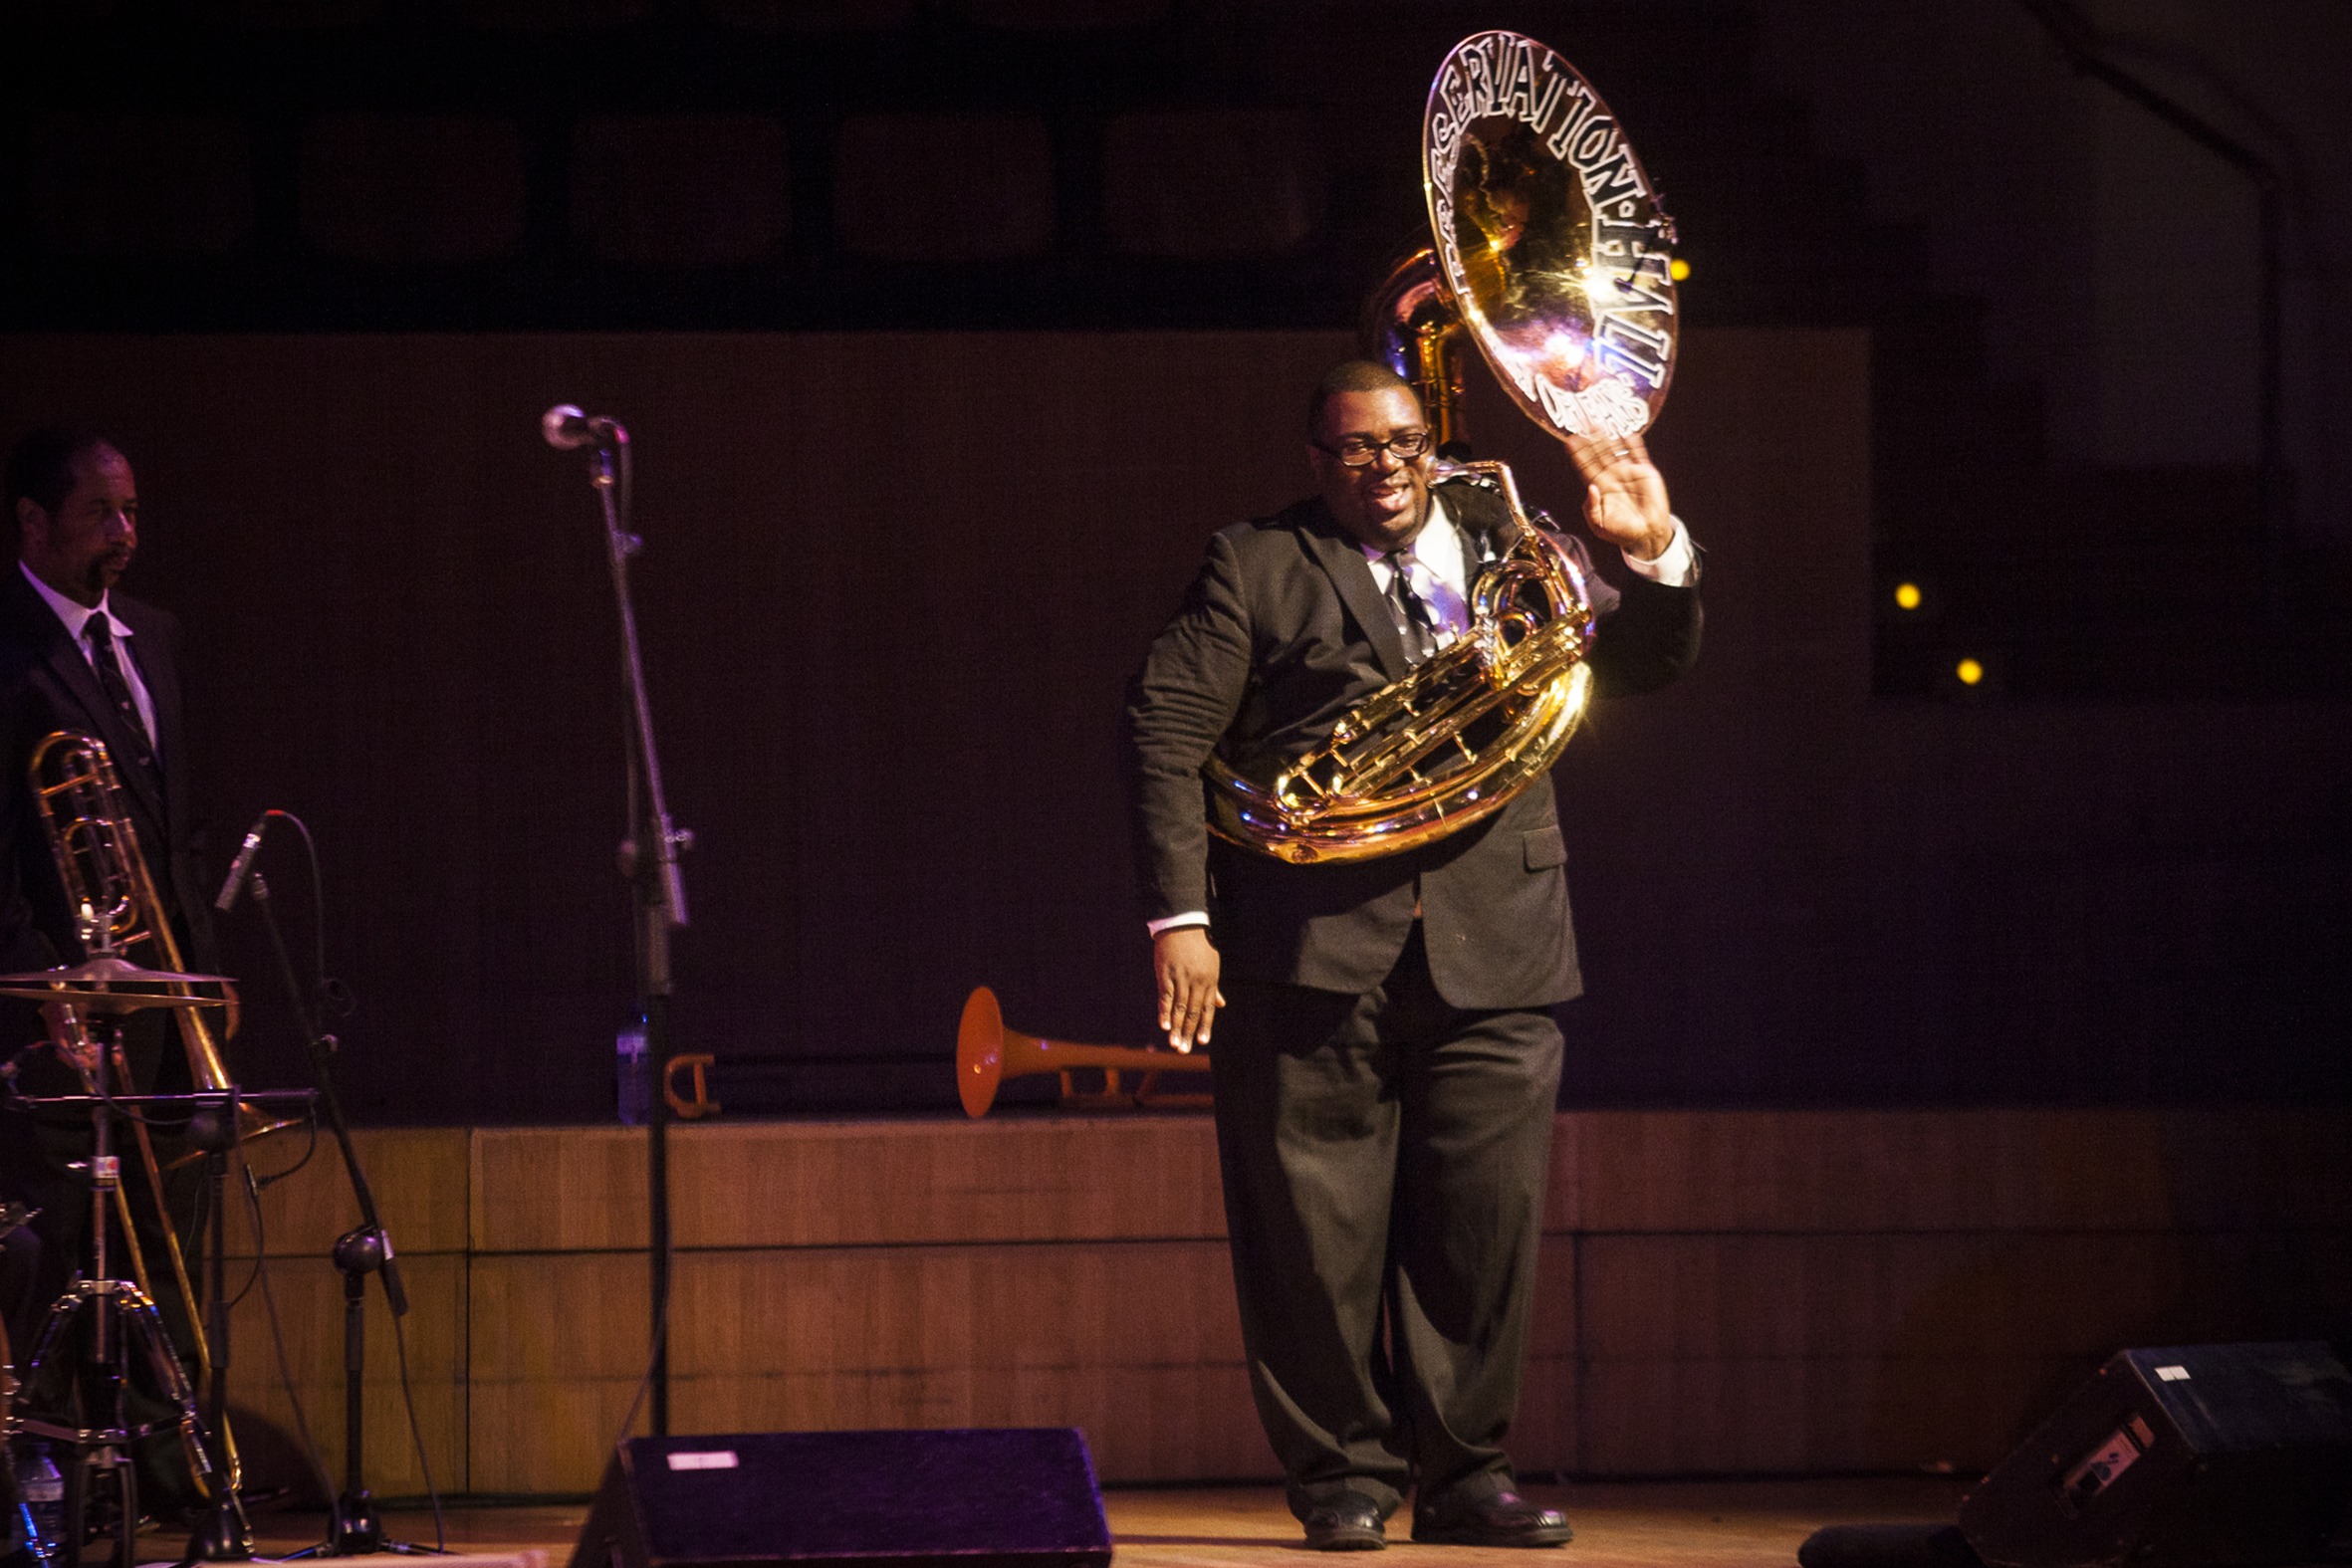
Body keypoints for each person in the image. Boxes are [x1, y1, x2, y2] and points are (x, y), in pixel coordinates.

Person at [1123, 360, 1701, 1551]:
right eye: (1350, 449)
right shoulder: (1256, 562)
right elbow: (1161, 729)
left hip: (1501, 943)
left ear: (1430, 443)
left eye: (1398, 444)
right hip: (1308, 947)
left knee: (1481, 1234)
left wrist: (1651, 556)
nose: (1380, 467)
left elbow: (1639, 665)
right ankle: (1342, 1478)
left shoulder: (1510, 543)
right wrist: (1183, 921)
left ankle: (1467, 1478)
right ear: (1317, 459)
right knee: (1313, 1241)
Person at [0, 428, 217, 1474]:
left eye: (133, 510)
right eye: (101, 514)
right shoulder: (6, 648)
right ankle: (54, 1460)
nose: (125, 534)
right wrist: (46, 977)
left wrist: (194, 973)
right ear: (33, 525)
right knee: (70, 1244)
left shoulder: (153, 634)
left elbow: (174, 830)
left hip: (158, 999)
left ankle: (172, 1468)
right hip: (59, 1014)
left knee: (170, 1231)